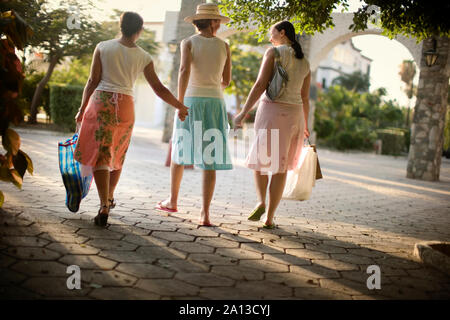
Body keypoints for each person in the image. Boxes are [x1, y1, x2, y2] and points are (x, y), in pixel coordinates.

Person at [74, 12, 189, 227]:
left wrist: (82, 108)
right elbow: (159, 88)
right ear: (139, 31)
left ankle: (104, 205)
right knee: (117, 153)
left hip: (102, 101)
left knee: (101, 154)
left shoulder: (103, 47)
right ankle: (109, 197)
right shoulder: (144, 56)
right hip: (126, 105)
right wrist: (180, 106)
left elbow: (92, 80)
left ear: (121, 26)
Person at [156, 3, 232, 226]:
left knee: (180, 148)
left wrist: (180, 103)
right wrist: (212, 86)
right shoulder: (225, 46)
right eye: (217, 20)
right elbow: (226, 81)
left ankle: (172, 200)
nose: (219, 24)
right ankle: (205, 214)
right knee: (210, 157)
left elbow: (183, 71)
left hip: (191, 100)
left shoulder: (188, 42)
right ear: (213, 22)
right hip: (215, 102)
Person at [234, 21, 311, 229]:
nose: (270, 38)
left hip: (272, 111)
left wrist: (243, 112)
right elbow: (305, 98)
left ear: (282, 33)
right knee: (281, 167)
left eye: (272, 33)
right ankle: (269, 218)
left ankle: (260, 202)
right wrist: (305, 124)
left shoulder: (274, 53)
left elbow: (260, 85)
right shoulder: (305, 62)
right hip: (295, 116)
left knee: (260, 161)